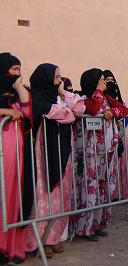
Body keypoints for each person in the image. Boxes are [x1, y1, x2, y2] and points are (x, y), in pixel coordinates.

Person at [23, 63, 85, 259]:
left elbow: (79, 108)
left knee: (61, 196)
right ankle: (37, 241)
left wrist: (62, 91)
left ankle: (53, 238)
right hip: (44, 155)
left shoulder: (57, 96)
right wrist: (67, 113)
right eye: (56, 77)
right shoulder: (36, 96)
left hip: (61, 152)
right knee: (45, 198)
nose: (60, 80)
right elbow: (57, 113)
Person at [71, 68, 128, 241]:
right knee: (89, 189)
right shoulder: (83, 99)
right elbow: (94, 110)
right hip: (90, 153)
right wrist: (98, 91)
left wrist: (112, 112)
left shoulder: (105, 98)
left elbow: (123, 109)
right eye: (101, 80)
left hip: (107, 151)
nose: (104, 83)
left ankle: (98, 224)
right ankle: (84, 228)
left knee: (104, 189)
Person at [0, 53, 31, 266]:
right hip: (4, 148)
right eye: (13, 69)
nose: (18, 73)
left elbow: (28, 111)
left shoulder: (18, 92)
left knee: (12, 195)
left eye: (20, 69)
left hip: (15, 151)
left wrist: (20, 87)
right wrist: (4, 110)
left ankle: (9, 247)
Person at [102, 70, 128, 200]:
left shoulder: (118, 100)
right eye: (106, 80)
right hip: (106, 137)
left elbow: (125, 113)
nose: (110, 83)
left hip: (119, 136)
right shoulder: (102, 98)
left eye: (112, 80)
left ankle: (118, 193)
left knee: (121, 165)